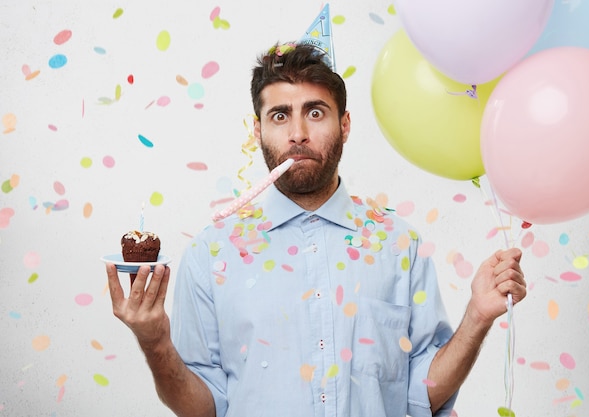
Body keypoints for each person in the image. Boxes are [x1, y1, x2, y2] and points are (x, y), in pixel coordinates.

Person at [106, 42, 526, 417]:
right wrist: (155, 340)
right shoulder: (212, 253)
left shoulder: (400, 244)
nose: (298, 134)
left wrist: (476, 318)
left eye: (315, 112)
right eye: (279, 115)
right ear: (258, 131)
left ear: (344, 125)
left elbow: (423, 397)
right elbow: (203, 410)